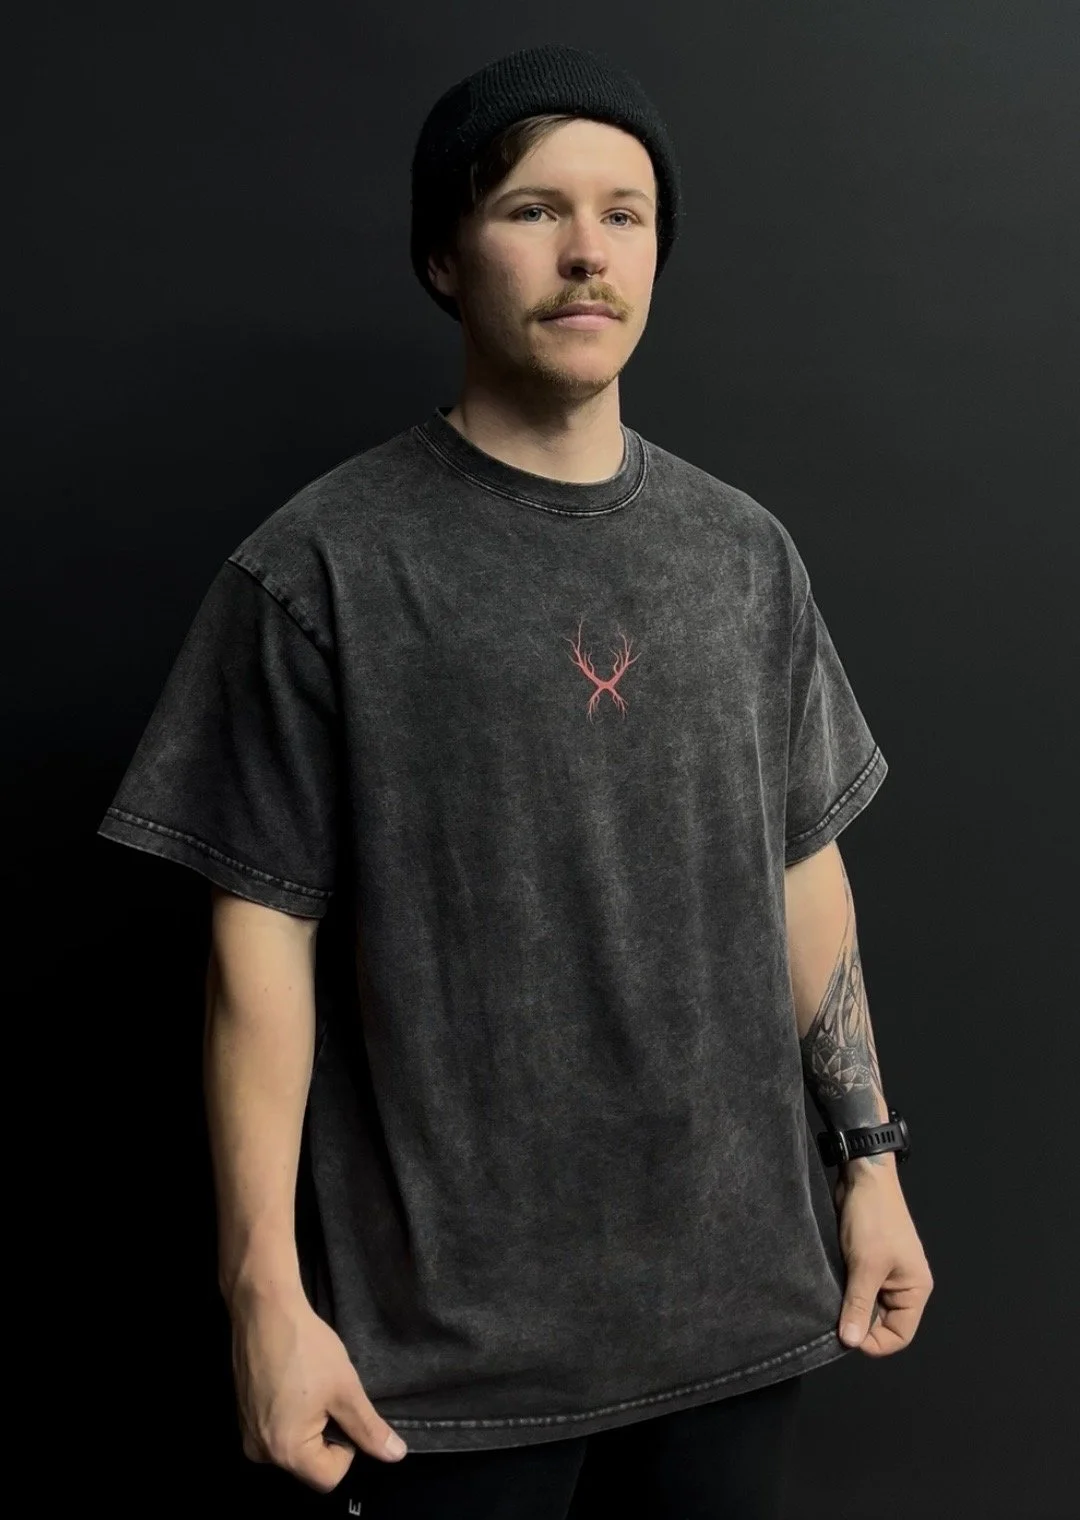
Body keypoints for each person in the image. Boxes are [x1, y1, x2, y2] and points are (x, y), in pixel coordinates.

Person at [96, 41, 933, 1519]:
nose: (587, 251)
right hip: (445, 1366)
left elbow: (803, 871)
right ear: (443, 256)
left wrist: (869, 1163)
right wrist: (262, 1298)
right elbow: (257, 952)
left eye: (626, 213)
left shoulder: (742, 555)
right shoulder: (321, 568)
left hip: (744, 1315)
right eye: (535, 209)